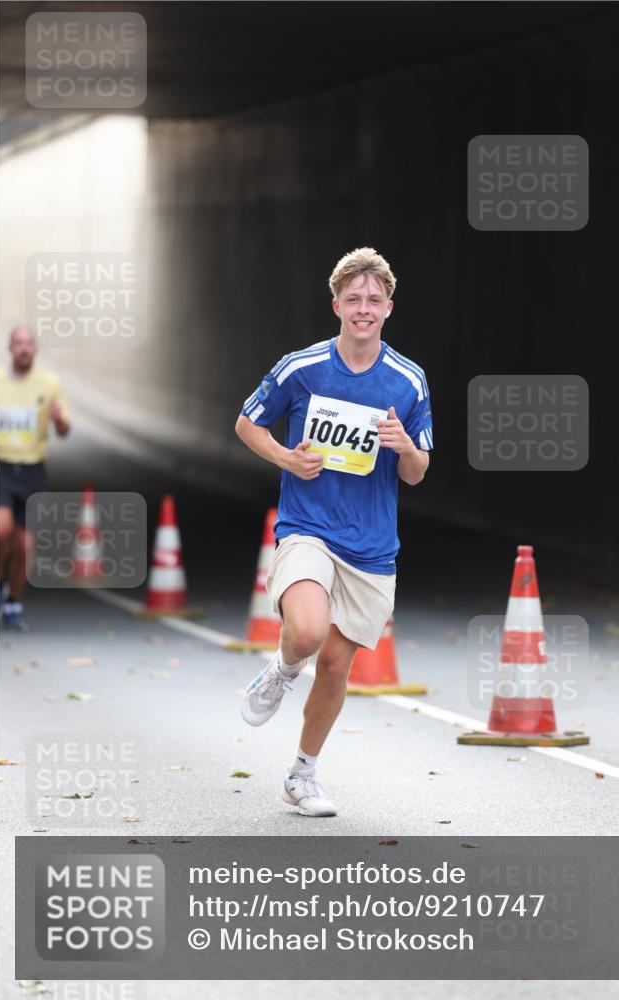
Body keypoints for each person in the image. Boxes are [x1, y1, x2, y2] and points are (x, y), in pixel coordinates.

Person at [235, 247, 433, 817]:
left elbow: (418, 473)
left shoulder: (408, 382)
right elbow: (248, 422)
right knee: (305, 631)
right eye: (354, 300)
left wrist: (404, 448)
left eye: (374, 300)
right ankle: (280, 669)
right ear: (337, 305)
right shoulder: (302, 368)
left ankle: (303, 773)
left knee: (337, 666)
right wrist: (285, 458)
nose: (363, 309)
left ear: (388, 308)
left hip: (372, 546)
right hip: (309, 528)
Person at [0, 325, 71, 630]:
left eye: (29, 344)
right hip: (0, 466)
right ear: (10, 348)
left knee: (25, 546)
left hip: (32, 471)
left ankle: (13, 602)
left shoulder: (49, 383)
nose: (24, 348)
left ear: (36, 350)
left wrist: (59, 421)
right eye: (19, 343)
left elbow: (65, 430)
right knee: (0, 531)